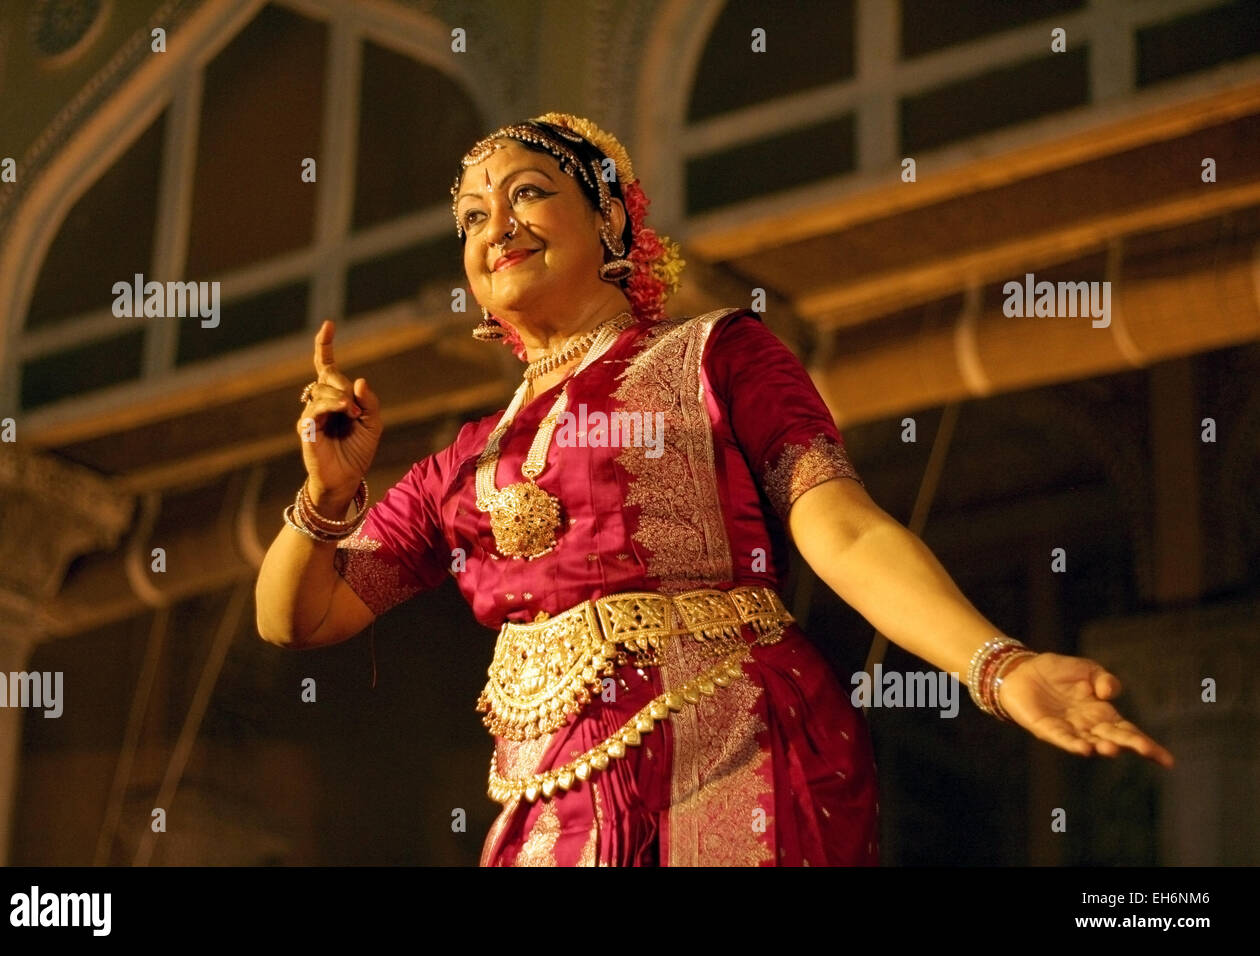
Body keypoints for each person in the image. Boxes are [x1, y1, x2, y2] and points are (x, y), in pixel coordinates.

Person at [255, 112, 1174, 866]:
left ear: (612, 223)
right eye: (469, 217)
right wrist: (327, 494)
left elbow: (842, 530)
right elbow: (299, 617)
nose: (495, 227)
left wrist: (997, 666)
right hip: (550, 791)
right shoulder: (462, 464)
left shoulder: (716, 355)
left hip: (735, 744)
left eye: (528, 193)